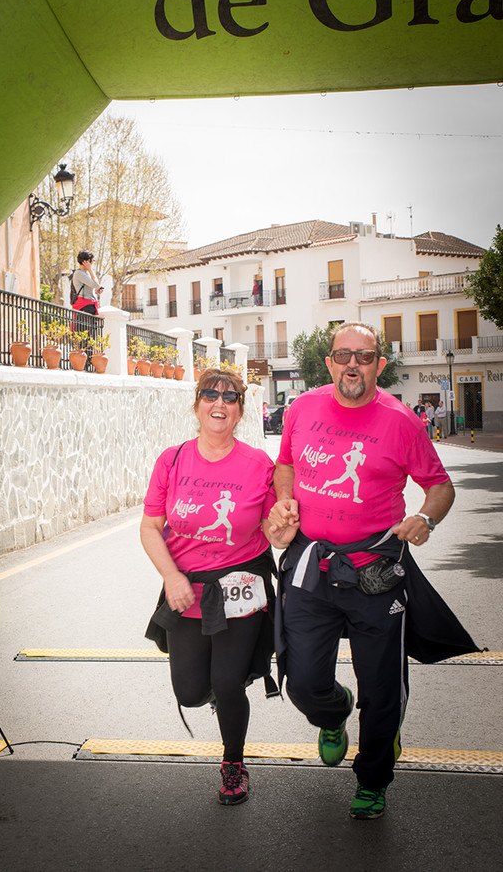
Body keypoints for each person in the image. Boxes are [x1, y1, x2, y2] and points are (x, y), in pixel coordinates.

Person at [269, 321, 477, 821]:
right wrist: (283, 502)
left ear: (379, 365)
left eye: (364, 357)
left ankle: (373, 777)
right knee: (302, 681)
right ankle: (333, 712)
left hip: (376, 571)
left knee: (382, 688)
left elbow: (440, 485)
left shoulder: (402, 421)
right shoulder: (302, 408)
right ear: (329, 362)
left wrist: (426, 517)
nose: (352, 366)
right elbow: (286, 466)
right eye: (343, 356)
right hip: (311, 566)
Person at [141, 368, 292, 806]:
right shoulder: (172, 460)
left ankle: (233, 763)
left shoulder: (258, 465)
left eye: (230, 398)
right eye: (210, 395)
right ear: (197, 405)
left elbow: (273, 532)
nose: (219, 403)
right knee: (190, 691)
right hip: (187, 589)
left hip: (240, 585)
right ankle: (221, 690)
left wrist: (283, 530)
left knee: (226, 683)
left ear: (241, 411)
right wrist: (171, 577)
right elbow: (151, 527)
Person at [71, 250, 103, 316]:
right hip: (84, 305)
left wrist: (90, 270)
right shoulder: (79, 273)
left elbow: (97, 285)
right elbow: (96, 285)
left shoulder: (87, 273)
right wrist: (90, 269)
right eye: (92, 261)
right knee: (86, 326)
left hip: (90, 304)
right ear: (88, 261)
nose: (92, 263)